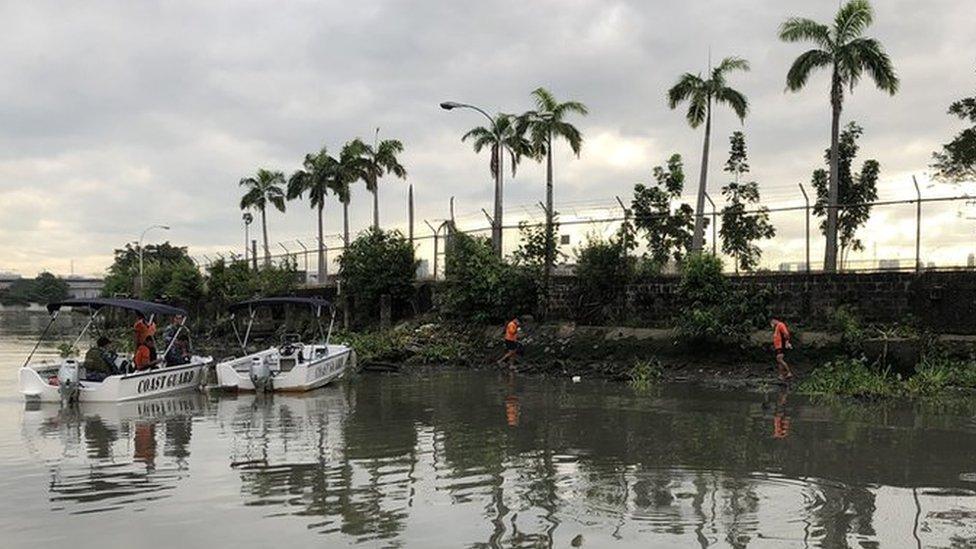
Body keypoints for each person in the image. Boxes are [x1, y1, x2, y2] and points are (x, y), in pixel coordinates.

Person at [771, 317, 794, 382]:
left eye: (772, 322)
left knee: (779, 359)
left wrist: (787, 342)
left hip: (781, 346)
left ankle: (789, 372)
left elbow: (786, 334)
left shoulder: (780, 325)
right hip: (778, 346)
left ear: (774, 320)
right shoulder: (777, 327)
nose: (771, 324)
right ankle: (781, 375)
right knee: (779, 361)